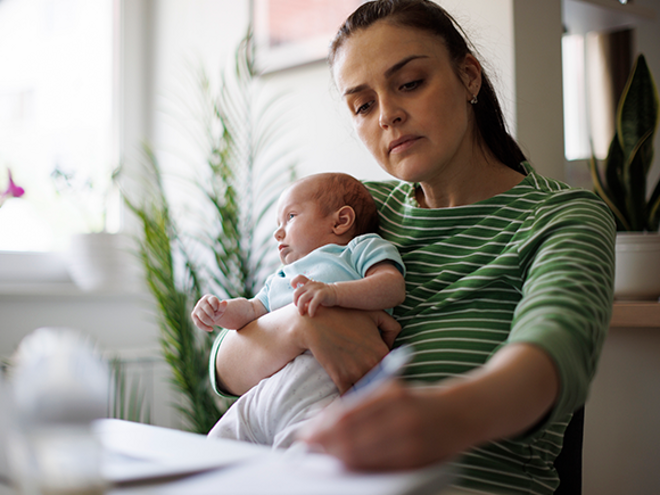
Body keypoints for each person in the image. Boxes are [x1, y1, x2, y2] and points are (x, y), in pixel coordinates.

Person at [210, 1, 615, 493]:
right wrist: (303, 325)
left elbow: (552, 361)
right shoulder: (355, 213)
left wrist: (444, 416)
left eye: (410, 84)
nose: (388, 115)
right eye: (363, 105)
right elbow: (228, 364)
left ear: (469, 77)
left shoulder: (561, 217)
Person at [192, 172, 406, 448]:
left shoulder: (357, 249)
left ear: (340, 221)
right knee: (213, 451)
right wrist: (220, 311)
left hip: (323, 380)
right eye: (278, 223)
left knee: (303, 462)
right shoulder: (281, 276)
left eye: (290, 217)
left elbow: (392, 287)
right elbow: (252, 311)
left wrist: (333, 293)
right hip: (266, 389)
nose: (278, 232)